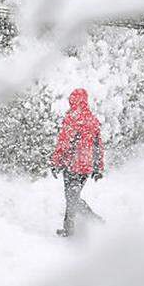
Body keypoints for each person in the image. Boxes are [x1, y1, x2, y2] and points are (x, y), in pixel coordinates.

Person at [49, 88, 105, 237]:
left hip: (72, 165)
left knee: (71, 197)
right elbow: (98, 145)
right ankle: (78, 226)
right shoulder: (92, 120)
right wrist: (98, 167)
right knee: (73, 196)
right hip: (86, 168)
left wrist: (56, 163)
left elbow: (63, 144)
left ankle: (81, 225)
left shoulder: (72, 118)